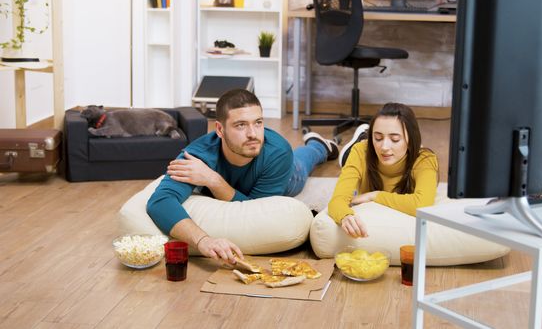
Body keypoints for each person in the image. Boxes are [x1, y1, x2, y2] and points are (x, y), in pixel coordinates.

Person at [147, 89, 338, 263]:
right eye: (240, 125)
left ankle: (319, 146)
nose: (253, 134)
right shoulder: (198, 155)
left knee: (301, 164)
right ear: (220, 130)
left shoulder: (278, 152)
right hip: (245, 176)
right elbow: (160, 201)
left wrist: (213, 180)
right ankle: (316, 144)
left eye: (258, 123)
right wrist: (203, 240)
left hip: (285, 178)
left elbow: (253, 209)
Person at [328, 102, 439, 238]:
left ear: (410, 140)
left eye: (395, 139)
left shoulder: (425, 159)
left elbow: (422, 204)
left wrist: (374, 195)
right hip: (362, 151)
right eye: (378, 138)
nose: (384, 147)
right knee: (350, 154)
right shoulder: (360, 152)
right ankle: (360, 139)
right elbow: (337, 200)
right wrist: (345, 216)